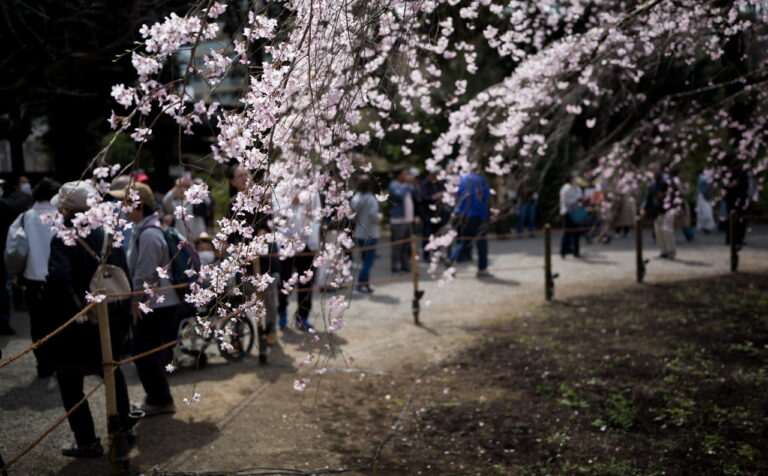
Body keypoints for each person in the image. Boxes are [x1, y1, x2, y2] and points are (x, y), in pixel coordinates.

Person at [45, 181, 133, 457]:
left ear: (66, 206)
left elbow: (59, 278)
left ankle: (87, 441)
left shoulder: (63, 235)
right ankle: (123, 431)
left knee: (69, 379)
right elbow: (123, 268)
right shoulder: (108, 230)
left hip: (79, 320)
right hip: (113, 314)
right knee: (110, 368)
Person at [110, 182, 180, 416]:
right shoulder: (146, 227)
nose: (121, 206)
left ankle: (161, 399)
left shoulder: (149, 232)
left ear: (138, 205)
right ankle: (157, 397)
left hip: (155, 303)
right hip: (155, 301)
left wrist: (136, 301)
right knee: (148, 350)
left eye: (125, 201)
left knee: (143, 351)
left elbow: (145, 273)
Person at [228, 166, 279, 342]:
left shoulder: (263, 199)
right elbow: (230, 235)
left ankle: (271, 330)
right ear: (233, 182)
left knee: (268, 296)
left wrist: (262, 234)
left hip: (264, 255)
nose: (244, 178)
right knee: (240, 297)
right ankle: (238, 335)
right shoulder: (232, 203)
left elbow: (269, 224)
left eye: (246, 174)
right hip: (244, 258)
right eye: (239, 176)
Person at [18, 178, 60, 377]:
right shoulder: (62, 216)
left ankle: (44, 364)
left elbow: (14, 249)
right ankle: (61, 361)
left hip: (33, 278)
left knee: (38, 325)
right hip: (59, 278)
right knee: (60, 321)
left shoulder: (26, 217)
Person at [274, 181, 321, 331]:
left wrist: (311, 214)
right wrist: (291, 204)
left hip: (307, 242)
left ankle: (303, 317)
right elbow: (275, 215)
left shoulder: (313, 190)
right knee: (285, 280)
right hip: (286, 242)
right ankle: (282, 312)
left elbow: (318, 214)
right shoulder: (281, 187)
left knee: (306, 281)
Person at [450, 169, 492, 278]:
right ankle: (482, 269)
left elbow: (454, 195)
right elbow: (485, 197)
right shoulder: (479, 180)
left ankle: (451, 262)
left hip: (462, 214)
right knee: (481, 243)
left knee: (463, 241)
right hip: (477, 215)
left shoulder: (459, 179)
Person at [640, 162, 677, 259]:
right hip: (656, 210)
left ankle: (671, 251)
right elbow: (648, 197)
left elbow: (674, 191)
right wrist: (643, 208)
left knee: (667, 231)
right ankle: (663, 251)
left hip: (668, 209)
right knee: (658, 232)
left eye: (654, 168)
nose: (653, 171)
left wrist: (664, 195)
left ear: (659, 169)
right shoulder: (651, 182)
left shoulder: (667, 178)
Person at [351, 175, 381, 294]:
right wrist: (380, 217)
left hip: (360, 232)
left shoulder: (356, 198)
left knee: (363, 260)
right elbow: (374, 217)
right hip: (371, 233)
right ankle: (360, 284)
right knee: (368, 262)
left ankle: (365, 284)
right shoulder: (371, 199)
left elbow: (352, 215)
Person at [388, 168, 417, 273]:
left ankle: (405, 265)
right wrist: (409, 185)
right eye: (404, 174)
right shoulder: (393, 185)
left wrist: (413, 184)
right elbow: (399, 196)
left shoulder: (407, 186)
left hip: (408, 219)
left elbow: (417, 194)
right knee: (398, 245)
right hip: (398, 220)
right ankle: (395, 266)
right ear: (398, 176)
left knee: (406, 245)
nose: (407, 176)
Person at [559, 171, 585, 258]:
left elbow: (580, 198)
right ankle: (563, 251)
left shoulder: (578, 188)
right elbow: (566, 202)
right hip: (567, 212)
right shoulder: (566, 188)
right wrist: (576, 201)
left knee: (577, 233)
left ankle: (576, 252)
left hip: (577, 212)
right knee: (567, 233)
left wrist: (581, 201)